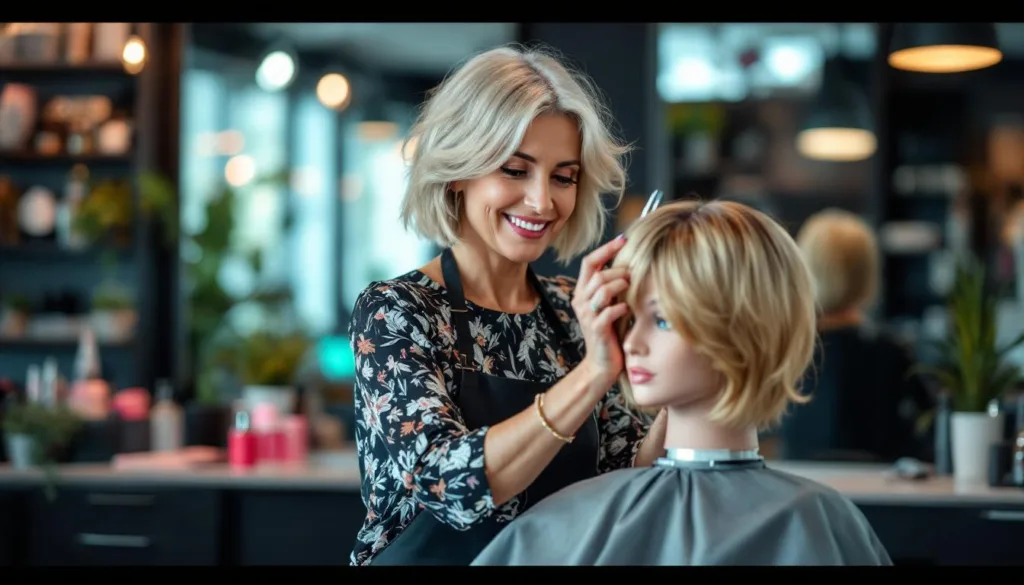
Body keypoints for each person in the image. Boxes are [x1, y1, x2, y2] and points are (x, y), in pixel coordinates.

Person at [347, 44, 668, 566]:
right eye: (516, 170)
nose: (543, 201)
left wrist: (684, 358)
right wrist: (593, 373)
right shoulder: (396, 312)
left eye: (563, 177)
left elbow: (629, 473)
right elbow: (449, 486)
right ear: (459, 170)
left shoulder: (571, 311)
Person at [471, 199, 893, 566]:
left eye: (662, 320)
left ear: (744, 327)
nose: (632, 343)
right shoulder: (567, 523)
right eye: (631, 319)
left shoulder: (815, 524)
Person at [778, 208, 934, 462]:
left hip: (799, 483)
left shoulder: (786, 351)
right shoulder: (891, 351)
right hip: (881, 490)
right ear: (867, 273)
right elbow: (929, 428)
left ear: (805, 269)